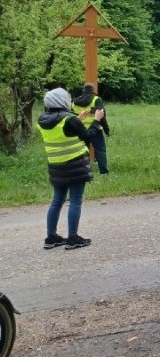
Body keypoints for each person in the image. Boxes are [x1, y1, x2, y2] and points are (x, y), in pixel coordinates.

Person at [37, 87, 106, 250]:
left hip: (56, 166)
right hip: (75, 165)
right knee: (75, 201)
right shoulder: (69, 119)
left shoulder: (42, 120)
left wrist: (79, 119)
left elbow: (63, 132)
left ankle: (51, 237)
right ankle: (73, 238)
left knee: (56, 201)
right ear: (62, 101)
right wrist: (96, 120)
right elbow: (88, 137)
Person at [71, 82, 111, 175]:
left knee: (83, 152)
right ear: (94, 90)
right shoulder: (96, 99)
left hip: (81, 130)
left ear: (83, 90)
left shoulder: (74, 101)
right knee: (100, 150)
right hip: (95, 128)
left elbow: (71, 117)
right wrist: (106, 129)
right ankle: (104, 173)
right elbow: (102, 116)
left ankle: (85, 172)